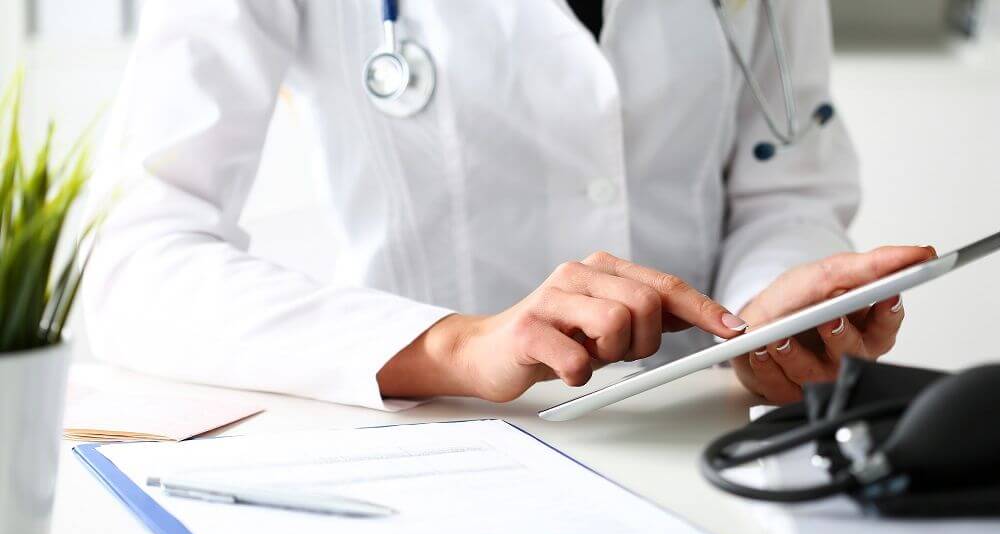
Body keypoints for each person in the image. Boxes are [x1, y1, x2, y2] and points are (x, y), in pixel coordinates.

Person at [83, 0, 933, 410]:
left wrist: (768, 316)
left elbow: (784, 184)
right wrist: (454, 345)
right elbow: (131, 258)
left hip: (705, 437)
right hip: (429, 456)